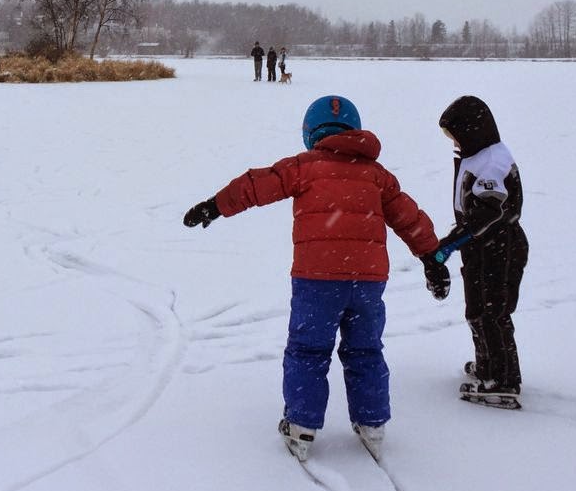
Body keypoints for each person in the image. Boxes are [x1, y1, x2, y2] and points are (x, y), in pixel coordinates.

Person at [183, 94, 440, 461]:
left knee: (308, 349)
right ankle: (372, 424)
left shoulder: (304, 166)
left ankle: (302, 426)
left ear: (311, 133)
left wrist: (216, 205)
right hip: (367, 282)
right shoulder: (377, 176)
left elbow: (258, 184)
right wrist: (431, 255)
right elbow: (409, 217)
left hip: (317, 279)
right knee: (365, 350)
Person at [421, 95, 528, 410]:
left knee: (493, 312)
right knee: (475, 309)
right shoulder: (475, 155)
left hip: (500, 245)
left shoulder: (493, 161)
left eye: (454, 133)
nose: (452, 141)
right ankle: (487, 365)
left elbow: (488, 212)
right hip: (479, 246)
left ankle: (504, 379)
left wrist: (449, 244)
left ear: (473, 129)